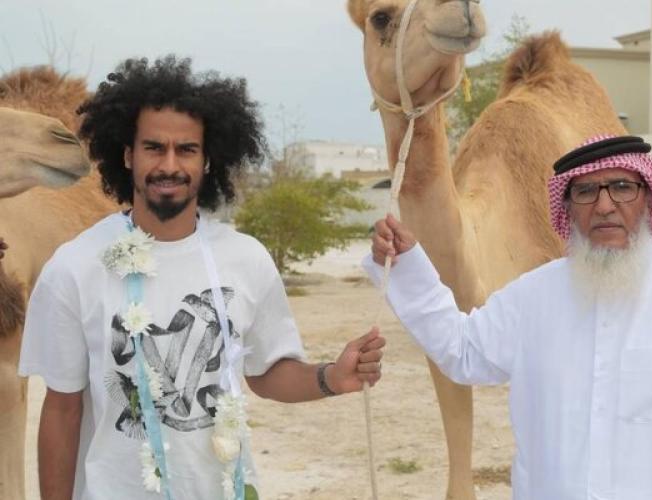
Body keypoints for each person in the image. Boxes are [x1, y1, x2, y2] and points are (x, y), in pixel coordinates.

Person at [19, 56, 385, 500]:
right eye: (154, 147)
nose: (169, 165)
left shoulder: (246, 259)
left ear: (208, 160)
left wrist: (331, 377)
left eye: (187, 149)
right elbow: (62, 410)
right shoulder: (74, 267)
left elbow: (266, 373)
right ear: (128, 154)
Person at [367, 135, 652, 499]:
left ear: (648, 198)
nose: (604, 205)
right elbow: (462, 351)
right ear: (568, 208)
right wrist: (405, 265)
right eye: (586, 192)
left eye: (622, 187)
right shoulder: (536, 294)